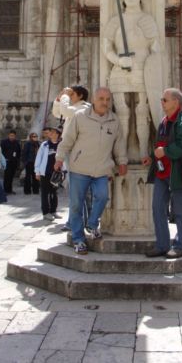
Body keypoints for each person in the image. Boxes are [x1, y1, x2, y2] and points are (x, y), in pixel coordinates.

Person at [54, 87, 127, 255]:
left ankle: (92, 224)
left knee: (102, 196)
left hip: (102, 169)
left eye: (108, 99)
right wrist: (59, 158)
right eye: (101, 99)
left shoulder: (114, 120)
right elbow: (68, 140)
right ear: (94, 100)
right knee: (76, 205)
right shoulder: (80, 117)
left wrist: (122, 161)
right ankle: (79, 240)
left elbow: (119, 143)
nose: (105, 102)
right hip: (79, 168)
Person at [103, 0, 162, 159]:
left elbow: (156, 49)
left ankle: (144, 150)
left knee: (143, 111)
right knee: (121, 112)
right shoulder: (114, 21)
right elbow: (107, 48)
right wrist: (119, 61)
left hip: (143, 69)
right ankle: (122, 153)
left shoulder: (147, 20)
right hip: (120, 70)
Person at [142, 87, 182, 259]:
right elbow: (161, 143)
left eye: (165, 100)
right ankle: (162, 244)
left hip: (178, 174)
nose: (162, 102)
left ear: (176, 102)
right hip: (161, 173)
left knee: (181, 209)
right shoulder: (164, 121)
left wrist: (165, 152)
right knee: (158, 208)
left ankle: (180, 245)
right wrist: (153, 157)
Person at [52, 85, 91, 231]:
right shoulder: (74, 109)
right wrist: (60, 97)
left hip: (77, 150)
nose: (69, 96)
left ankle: (78, 221)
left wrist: (64, 97)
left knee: (78, 188)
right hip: (71, 150)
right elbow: (57, 112)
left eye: (72, 94)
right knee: (74, 188)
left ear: (80, 96)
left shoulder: (84, 108)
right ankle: (74, 221)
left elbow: (65, 110)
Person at [35, 126, 63, 221]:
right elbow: (39, 158)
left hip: (56, 174)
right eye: (50, 132)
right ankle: (46, 212)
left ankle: (53, 210)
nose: (50, 133)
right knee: (45, 193)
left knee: (54, 193)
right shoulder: (45, 145)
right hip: (45, 173)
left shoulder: (61, 145)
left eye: (53, 132)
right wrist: (37, 172)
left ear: (57, 134)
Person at [0, 130, 21, 194]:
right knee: (7, 176)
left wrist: (17, 160)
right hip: (7, 161)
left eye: (13, 136)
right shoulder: (4, 142)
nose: (12, 137)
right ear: (8, 135)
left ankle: (10, 189)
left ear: (15, 136)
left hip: (14, 162)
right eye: (11, 136)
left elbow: (19, 152)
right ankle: (5, 190)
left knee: (12, 176)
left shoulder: (17, 143)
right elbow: (1, 152)